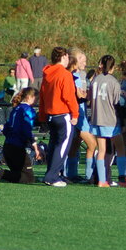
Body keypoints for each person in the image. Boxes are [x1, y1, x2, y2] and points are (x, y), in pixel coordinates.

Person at [38, 47, 79, 187]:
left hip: (51, 116)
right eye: (67, 57)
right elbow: (69, 97)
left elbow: (42, 96)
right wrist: (75, 114)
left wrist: (42, 116)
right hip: (62, 115)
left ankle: (50, 174)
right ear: (63, 57)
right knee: (62, 146)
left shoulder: (47, 74)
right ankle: (52, 176)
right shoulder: (65, 74)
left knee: (54, 145)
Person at [89, 55, 126, 187]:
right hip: (110, 119)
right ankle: (122, 178)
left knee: (101, 150)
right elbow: (117, 103)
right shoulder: (113, 82)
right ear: (113, 67)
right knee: (121, 148)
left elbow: (90, 98)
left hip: (97, 118)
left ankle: (101, 180)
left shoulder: (95, 80)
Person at [0, 87, 42, 184]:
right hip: (17, 148)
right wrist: (35, 145)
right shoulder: (28, 110)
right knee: (29, 179)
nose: (37, 101)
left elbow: (6, 128)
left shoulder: (15, 109)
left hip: (7, 147)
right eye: (36, 99)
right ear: (30, 97)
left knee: (19, 175)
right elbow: (27, 129)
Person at [65, 47, 97, 184]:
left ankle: (71, 174)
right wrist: (82, 95)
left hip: (81, 114)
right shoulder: (70, 75)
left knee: (75, 145)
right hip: (76, 115)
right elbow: (75, 95)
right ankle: (89, 176)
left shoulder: (81, 75)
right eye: (81, 60)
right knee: (92, 144)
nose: (85, 63)